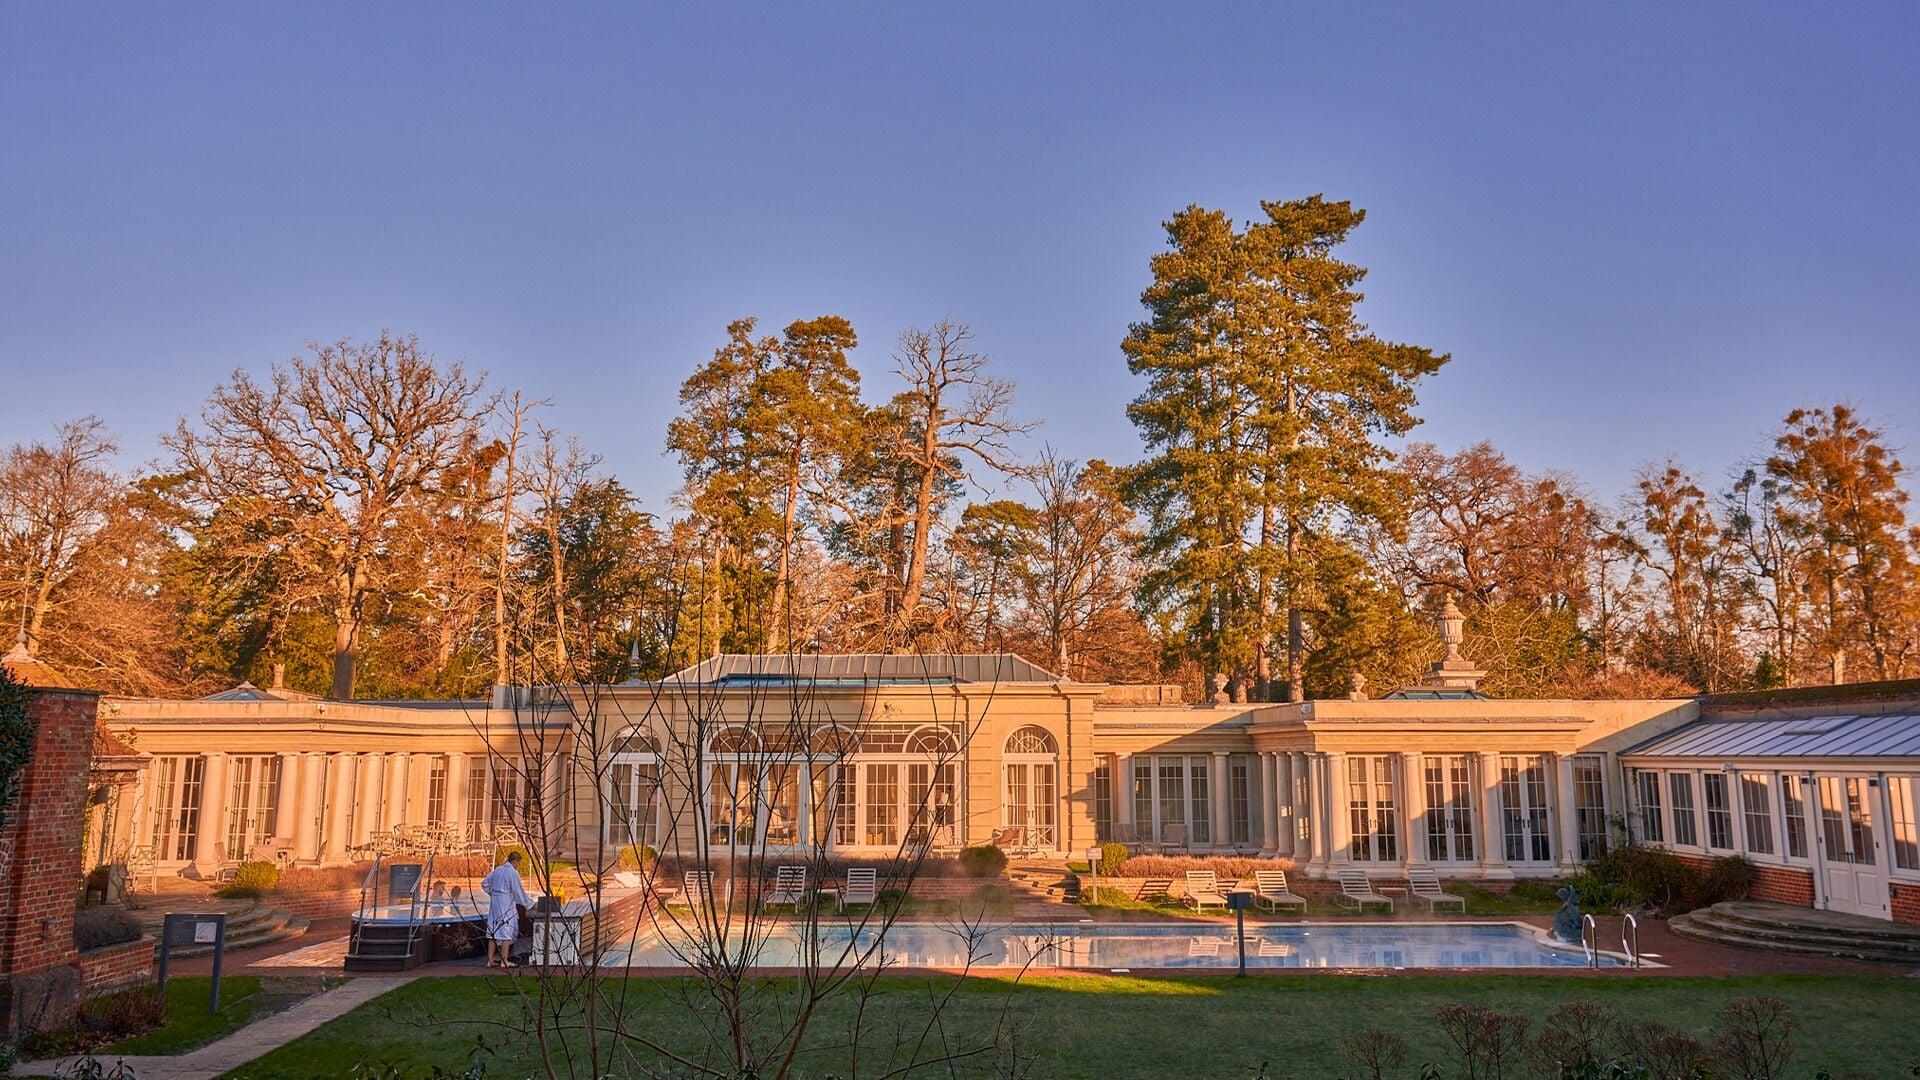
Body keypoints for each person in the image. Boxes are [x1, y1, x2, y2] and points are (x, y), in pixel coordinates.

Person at [482, 851, 533, 968]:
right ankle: (504, 961)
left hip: (495, 902)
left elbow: (484, 883)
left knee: (493, 930)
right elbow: (518, 891)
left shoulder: (497, 870)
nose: (517, 866)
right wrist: (528, 904)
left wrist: (493, 893)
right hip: (505, 902)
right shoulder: (512, 873)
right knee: (506, 930)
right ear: (515, 861)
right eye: (518, 864)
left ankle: (489, 960)